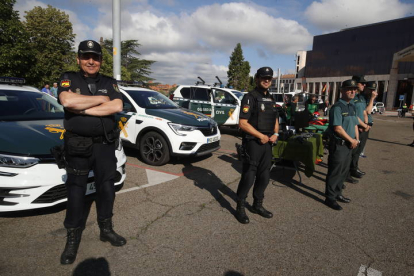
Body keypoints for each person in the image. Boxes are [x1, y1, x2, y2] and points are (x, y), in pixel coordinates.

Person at [57, 40, 125, 265]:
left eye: (95, 57)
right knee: (76, 192)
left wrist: (82, 108)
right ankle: (72, 240)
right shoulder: (69, 77)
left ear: (100, 61)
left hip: (104, 145)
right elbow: (66, 100)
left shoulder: (109, 81)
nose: (91, 61)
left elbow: (116, 106)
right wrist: (99, 100)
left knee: (107, 188)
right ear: (78, 59)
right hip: (77, 145)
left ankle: (106, 229)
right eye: (86, 56)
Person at [235, 67, 279, 224]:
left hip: (267, 143)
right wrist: (260, 136)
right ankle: (240, 207)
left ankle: (257, 205)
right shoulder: (249, 97)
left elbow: (275, 119)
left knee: (264, 176)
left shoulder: (271, 98)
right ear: (257, 79)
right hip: (253, 143)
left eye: (269, 78)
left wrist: (276, 134)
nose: (267, 80)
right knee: (248, 177)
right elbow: (242, 123)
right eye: (263, 77)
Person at [324, 79, 359, 210]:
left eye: (354, 89)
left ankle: (338, 193)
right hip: (339, 145)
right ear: (342, 91)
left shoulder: (352, 106)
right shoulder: (337, 107)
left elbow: (355, 124)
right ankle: (330, 198)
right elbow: (337, 128)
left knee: (343, 172)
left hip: (350, 144)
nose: (353, 91)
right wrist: (351, 140)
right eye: (350, 89)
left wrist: (356, 140)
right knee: (335, 172)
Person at [346, 75, 371, 184]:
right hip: (357, 127)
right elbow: (353, 115)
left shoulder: (362, 97)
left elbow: (366, 112)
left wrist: (366, 124)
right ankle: (347, 173)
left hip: (363, 127)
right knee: (351, 152)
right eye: (362, 83)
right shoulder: (352, 97)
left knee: (358, 151)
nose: (364, 85)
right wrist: (362, 125)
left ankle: (354, 169)